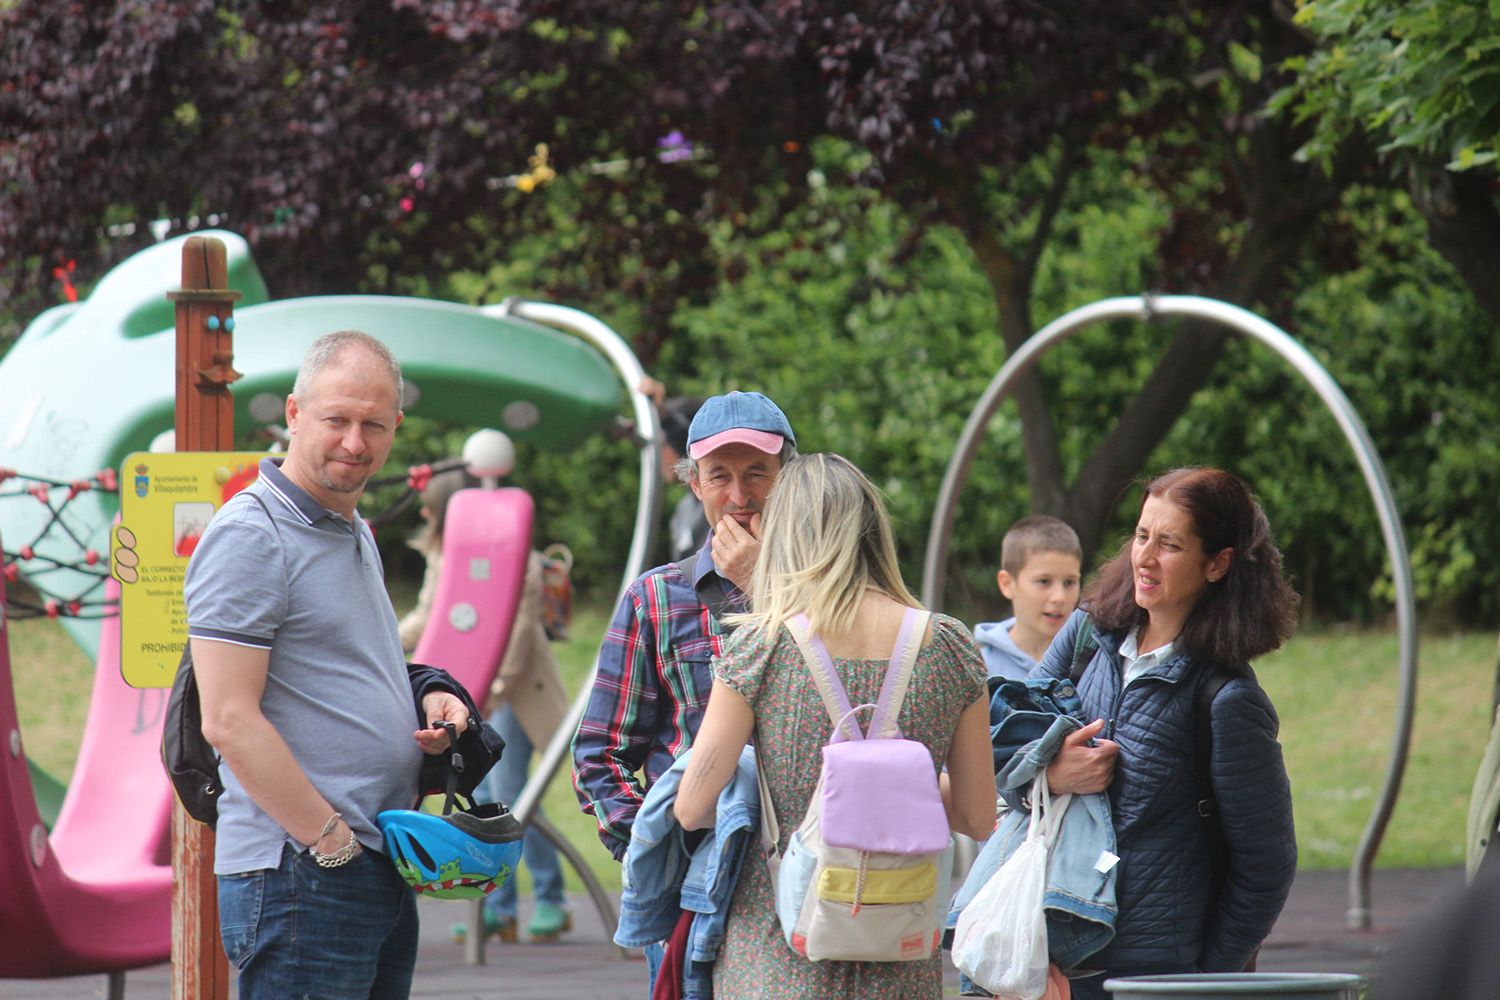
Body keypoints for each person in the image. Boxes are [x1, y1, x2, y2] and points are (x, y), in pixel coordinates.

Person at [184, 331, 473, 1000]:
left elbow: (343, 667)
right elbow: (227, 718)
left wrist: (425, 694)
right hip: (302, 871)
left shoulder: (349, 527)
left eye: (373, 424)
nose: (354, 441)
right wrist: (331, 843)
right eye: (336, 419)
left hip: (370, 859)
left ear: (396, 426)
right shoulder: (253, 536)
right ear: (293, 413)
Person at [674, 452, 997, 999]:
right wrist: (893, 783)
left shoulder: (761, 646)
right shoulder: (949, 646)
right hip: (899, 947)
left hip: (777, 945)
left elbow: (692, 807)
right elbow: (976, 814)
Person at [1020, 467, 1298, 999]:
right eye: (1142, 535)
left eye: (1169, 544)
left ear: (1217, 564)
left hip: (1152, 976)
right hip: (1045, 954)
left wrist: (1203, 978)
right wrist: (1052, 772)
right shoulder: (1088, 632)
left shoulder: (1226, 701)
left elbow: (1266, 868)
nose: (1144, 558)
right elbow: (1003, 740)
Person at [572, 390, 797, 986]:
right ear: (693, 484)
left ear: (790, 481)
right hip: (690, 889)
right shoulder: (656, 597)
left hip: (807, 880)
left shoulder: (826, 596)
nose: (740, 497)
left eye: (758, 474)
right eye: (719, 476)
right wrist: (654, 850)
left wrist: (759, 585)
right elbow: (600, 752)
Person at [395, 465, 573, 944]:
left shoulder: (517, 557)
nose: (426, 510)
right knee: (493, 792)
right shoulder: (445, 557)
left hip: (513, 690)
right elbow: (430, 614)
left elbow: (519, 627)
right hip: (475, 691)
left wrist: (495, 687)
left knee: (512, 794)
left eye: (432, 502)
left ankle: (546, 899)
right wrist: (384, 645)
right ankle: (501, 906)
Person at [974, 515, 1084, 680]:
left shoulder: (1091, 661)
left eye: (1069, 582)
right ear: (1007, 584)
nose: (1059, 597)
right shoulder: (978, 667)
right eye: (1044, 581)